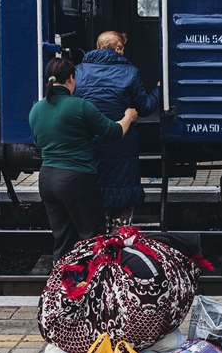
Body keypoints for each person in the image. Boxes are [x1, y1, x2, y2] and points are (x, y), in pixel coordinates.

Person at [29, 58, 138, 261]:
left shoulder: (36, 109)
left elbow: (39, 143)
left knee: (63, 239)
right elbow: (114, 131)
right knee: (92, 238)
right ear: (71, 78)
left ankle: (63, 286)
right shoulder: (80, 106)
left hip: (46, 179)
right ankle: (93, 287)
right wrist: (128, 116)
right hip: (76, 179)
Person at [74, 31, 160, 230]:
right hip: (121, 145)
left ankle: (97, 251)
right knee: (121, 207)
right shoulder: (129, 72)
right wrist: (158, 90)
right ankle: (119, 249)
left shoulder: (78, 72)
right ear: (119, 49)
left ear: (97, 46)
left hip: (90, 146)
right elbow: (145, 108)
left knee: (95, 207)